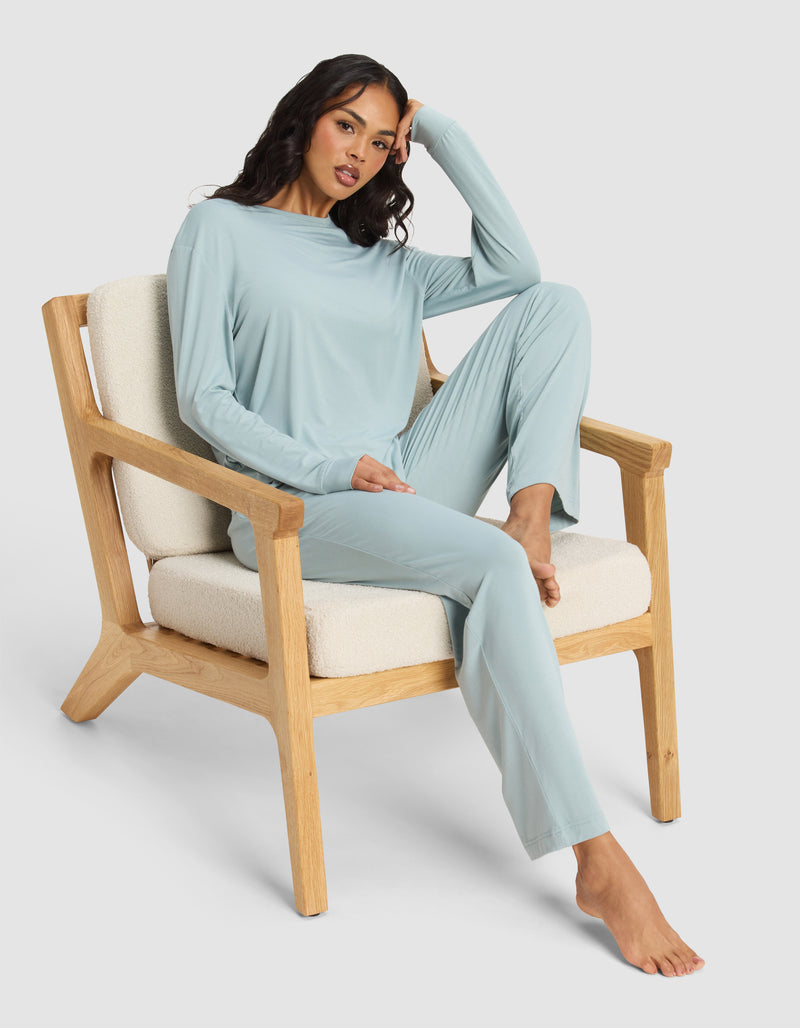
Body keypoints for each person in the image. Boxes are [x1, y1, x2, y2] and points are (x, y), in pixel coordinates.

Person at [166, 53, 704, 976]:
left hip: (405, 481)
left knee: (557, 305)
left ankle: (529, 517)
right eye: (346, 125)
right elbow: (204, 399)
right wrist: (331, 467)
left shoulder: (385, 263)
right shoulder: (220, 229)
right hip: (300, 504)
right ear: (303, 119)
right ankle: (596, 857)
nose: (360, 153)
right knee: (488, 569)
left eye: (383, 140)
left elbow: (517, 266)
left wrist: (440, 128)